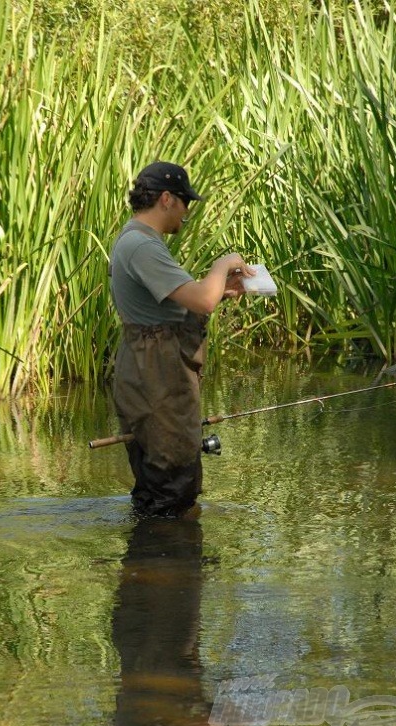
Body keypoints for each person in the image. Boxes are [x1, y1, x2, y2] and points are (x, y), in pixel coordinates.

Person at [110, 160, 254, 516]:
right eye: (185, 201)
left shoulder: (136, 241)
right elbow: (202, 299)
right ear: (166, 199)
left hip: (146, 369)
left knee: (155, 485)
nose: (187, 212)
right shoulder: (143, 246)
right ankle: (171, 565)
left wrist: (220, 290)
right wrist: (223, 267)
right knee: (174, 482)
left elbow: (176, 303)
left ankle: (150, 561)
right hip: (157, 374)